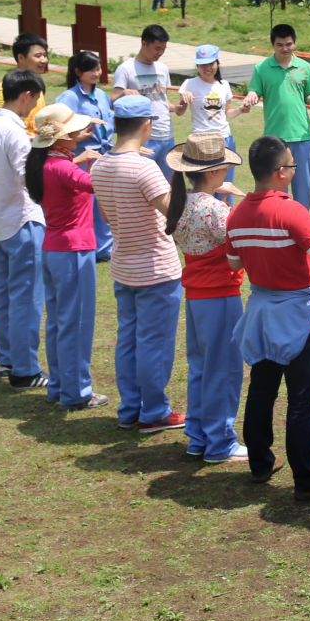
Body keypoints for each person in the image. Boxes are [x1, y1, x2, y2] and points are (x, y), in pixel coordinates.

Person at [227, 135, 310, 499]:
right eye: (293, 165)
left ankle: (260, 462)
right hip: (299, 316)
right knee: (302, 399)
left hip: (261, 314)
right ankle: (309, 480)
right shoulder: (290, 211)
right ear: (281, 172)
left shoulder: (237, 214)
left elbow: (234, 263)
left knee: (261, 388)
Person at [90, 96, 186, 432]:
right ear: (147, 125)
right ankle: (155, 411)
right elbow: (174, 213)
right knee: (155, 343)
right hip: (157, 269)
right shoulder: (144, 168)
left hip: (124, 266)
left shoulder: (99, 166)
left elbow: (106, 216)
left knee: (129, 339)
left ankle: (131, 407)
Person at [164, 133, 249, 464]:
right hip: (221, 295)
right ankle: (220, 441)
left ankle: (199, 436)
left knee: (201, 368)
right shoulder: (214, 209)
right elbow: (237, 243)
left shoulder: (182, 202)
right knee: (224, 369)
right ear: (214, 171)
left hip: (196, 297)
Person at [0, 67, 48, 387]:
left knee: (3, 296)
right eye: (36, 100)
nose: (35, 108)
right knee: (27, 299)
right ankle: (25, 370)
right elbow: (27, 177)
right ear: (26, 95)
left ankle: (7, 361)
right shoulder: (15, 132)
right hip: (23, 221)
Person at [26, 104, 103, 409]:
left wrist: (81, 157)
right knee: (77, 324)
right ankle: (77, 392)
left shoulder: (46, 164)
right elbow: (97, 185)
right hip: (74, 251)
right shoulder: (64, 168)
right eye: (75, 130)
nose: (80, 132)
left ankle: (60, 385)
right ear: (61, 137)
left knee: (59, 323)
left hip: (53, 248)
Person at [241, 24, 310, 209]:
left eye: (289, 44)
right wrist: (251, 94)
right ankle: (275, 219)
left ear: (294, 43)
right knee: (275, 185)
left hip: (301, 134)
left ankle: (301, 219)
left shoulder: (304, 67)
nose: (285, 48)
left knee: (303, 184)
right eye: (280, 44)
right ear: (272, 45)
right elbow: (254, 90)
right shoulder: (262, 68)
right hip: (274, 137)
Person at [55, 50, 115, 260]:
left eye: (99, 69)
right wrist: (78, 136)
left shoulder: (102, 95)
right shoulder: (68, 98)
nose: (97, 73)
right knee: (84, 203)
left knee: (104, 202)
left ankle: (105, 248)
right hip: (81, 156)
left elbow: (110, 122)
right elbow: (56, 128)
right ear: (78, 72)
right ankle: (89, 246)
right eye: (92, 70)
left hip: (103, 156)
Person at [175, 45, 245, 197]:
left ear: (217, 63)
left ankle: (225, 211)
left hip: (224, 139)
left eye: (211, 63)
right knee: (204, 188)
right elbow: (179, 112)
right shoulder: (189, 84)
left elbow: (228, 112)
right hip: (201, 142)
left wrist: (240, 110)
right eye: (203, 64)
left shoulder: (224, 85)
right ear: (197, 66)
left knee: (225, 185)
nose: (207, 68)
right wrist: (183, 102)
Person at [111, 24, 177, 183]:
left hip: (166, 134)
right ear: (144, 44)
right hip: (143, 136)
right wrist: (123, 94)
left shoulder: (162, 68)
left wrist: (177, 107)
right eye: (157, 48)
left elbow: (162, 99)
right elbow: (112, 101)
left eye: (163, 49)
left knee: (169, 184)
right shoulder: (126, 69)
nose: (160, 53)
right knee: (141, 181)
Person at [0, 33, 50, 128]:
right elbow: (0, 125)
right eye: (38, 56)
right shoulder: (5, 89)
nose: (44, 60)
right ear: (21, 58)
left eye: (45, 55)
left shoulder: (36, 86)